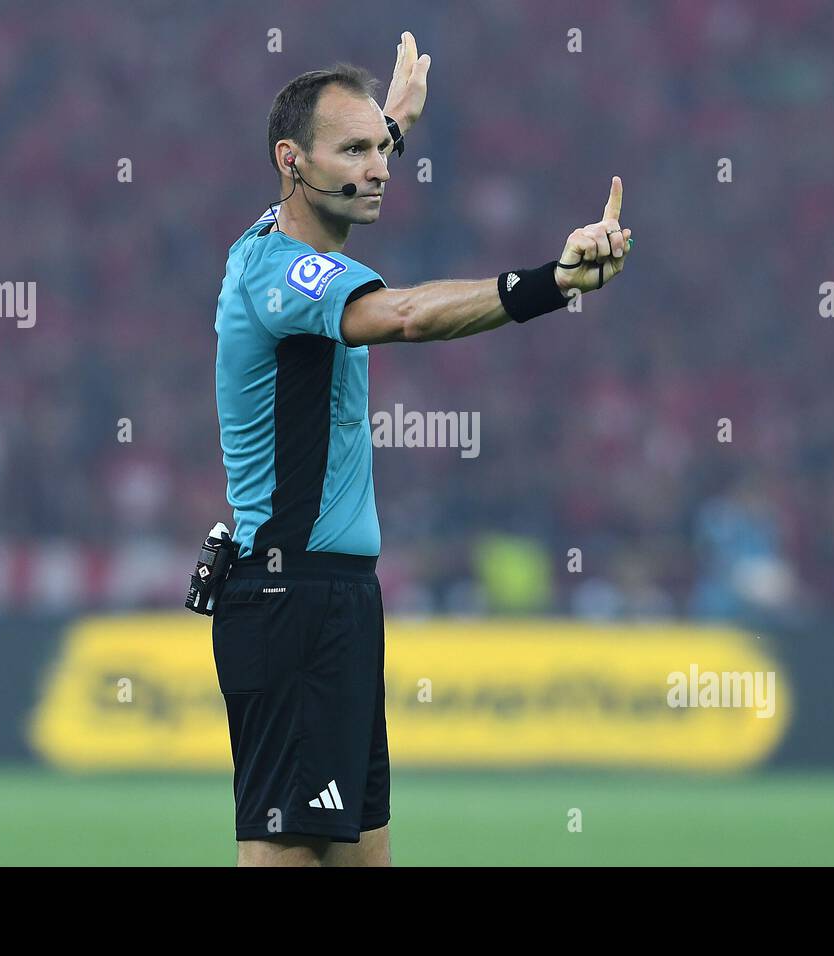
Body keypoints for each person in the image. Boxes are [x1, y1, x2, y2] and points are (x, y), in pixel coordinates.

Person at [211, 32, 632, 867]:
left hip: (336, 600)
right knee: (288, 853)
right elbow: (405, 317)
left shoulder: (299, 217)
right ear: (290, 161)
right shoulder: (280, 273)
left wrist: (392, 118)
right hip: (290, 599)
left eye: (382, 150)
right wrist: (555, 281)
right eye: (355, 150)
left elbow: (352, 161)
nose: (377, 168)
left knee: (365, 854)